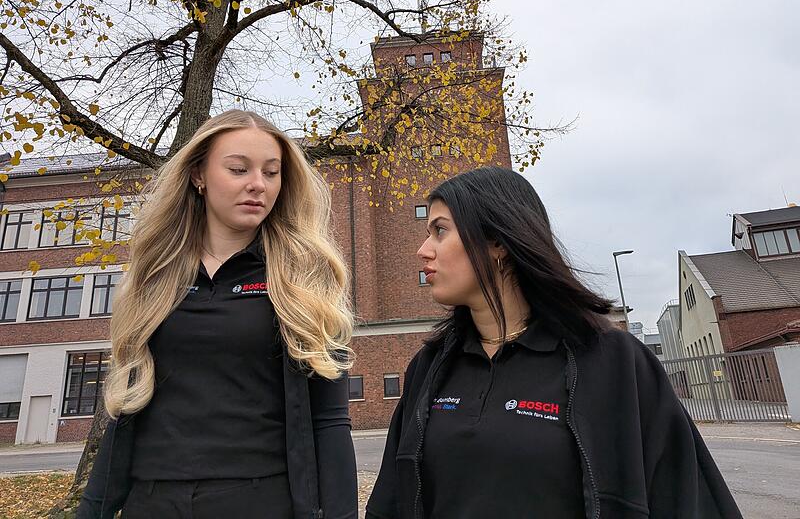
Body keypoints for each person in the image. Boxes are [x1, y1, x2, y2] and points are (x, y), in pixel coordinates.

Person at [366, 166, 742, 519]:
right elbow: (391, 501)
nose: (423, 250)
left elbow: (685, 498)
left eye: (440, 230)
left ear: (497, 241)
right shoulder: (429, 368)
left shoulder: (615, 363)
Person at [78, 110, 358, 519]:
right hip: (152, 502)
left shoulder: (306, 279)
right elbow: (126, 407)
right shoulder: (154, 276)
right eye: (239, 169)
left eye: (272, 172)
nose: (258, 184)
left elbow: (330, 422)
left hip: (259, 501)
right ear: (198, 175)